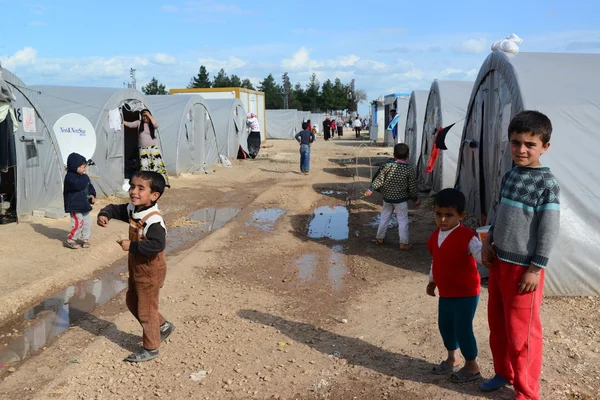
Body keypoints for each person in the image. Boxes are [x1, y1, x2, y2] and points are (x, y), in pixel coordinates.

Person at [480, 110, 560, 399]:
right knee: (498, 326)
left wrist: (535, 269)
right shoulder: (510, 175)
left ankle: (527, 391)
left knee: (522, 334)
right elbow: (500, 212)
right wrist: (489, 241)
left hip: (523, 269)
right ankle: (504, 372)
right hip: (500, 261)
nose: (521, 149)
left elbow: (549, 230)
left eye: (530, 144)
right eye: (516, 142)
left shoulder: (546, 184)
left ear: (544, 147)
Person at [97, 171, 175, 362]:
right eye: (132, 186)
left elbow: (158, 245)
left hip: (150, 269)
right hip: (137, 266)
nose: (134, 191)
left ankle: (151, 348)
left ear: (154, 195)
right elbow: (115, 209)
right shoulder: (134, 208)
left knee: (146, 310)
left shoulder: (153, 220)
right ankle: (163, 326)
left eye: (141, 188)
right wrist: (104, 214)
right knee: (132, 301)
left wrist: (131, 245)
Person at [427, 188, 483, 383]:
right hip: (446, 292)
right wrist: (432, 280)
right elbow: (436, 260)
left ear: (461, 215)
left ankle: (472, 366)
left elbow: (479, 253)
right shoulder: (435, 236)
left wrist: (487, 252)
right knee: (445, 326)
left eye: (449, 215)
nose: (443, 220)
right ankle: (452, 358)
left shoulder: (468, 237)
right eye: (438, 214)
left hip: (466, 292)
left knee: (463, 327)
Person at [364, 143, 420, 250]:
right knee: (402, 220)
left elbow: (379, 179)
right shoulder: (409, 169)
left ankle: (379, 238)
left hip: (387, 198)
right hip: (401, 200)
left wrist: (371, 189)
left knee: (384, 217)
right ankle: (403, 243)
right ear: (408, 155)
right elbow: (412, 187)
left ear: (394, 155)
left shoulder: (387, 166)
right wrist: (415, 199)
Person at [123, 109, 170, 188]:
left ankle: (161, 181)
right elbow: (129, 124)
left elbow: (156, 125)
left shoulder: (151, 124)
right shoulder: (139, 123)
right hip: (143, 149)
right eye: (143, 116)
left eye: (146, 116)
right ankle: (148, 182)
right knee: (145, 166)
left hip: (153, 148)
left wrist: (149, 115)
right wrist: (121, 121)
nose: (145, 118)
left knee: (157, 165)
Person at [63, 153, 96, 249]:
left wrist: (92, 194)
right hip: (74, 204)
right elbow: (79, 185)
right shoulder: (70, 177)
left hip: (84, 204)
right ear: (75, 167)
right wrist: (86, 177)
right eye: (82, 167)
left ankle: (85, 239)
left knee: (87, 223)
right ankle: (71, 239)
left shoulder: (82, 177)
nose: (84, 170)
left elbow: (89, 185)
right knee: (78, 222)